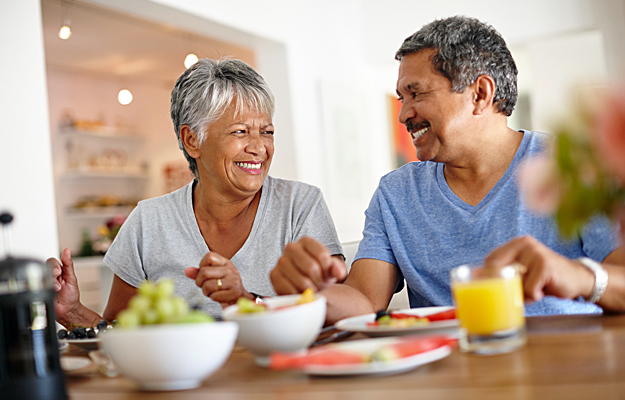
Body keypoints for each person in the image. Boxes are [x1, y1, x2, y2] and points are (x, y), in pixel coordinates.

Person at [270, 16, 623, 324]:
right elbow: (364, 300)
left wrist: (581, 276)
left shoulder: (574, 167)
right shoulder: (396, 194)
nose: (404, 114)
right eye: (401, 98)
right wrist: (314, 295)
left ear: (480, 94)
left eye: (416, 93)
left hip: (564, 370)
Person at [50, 58, 346, 328]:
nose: (259, 148)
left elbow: (338, 316)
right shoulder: (148, 221)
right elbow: (122, 335)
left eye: (266, 132)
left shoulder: (301, 206)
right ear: (192, 140)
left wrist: (246, 301)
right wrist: (71, 311)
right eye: (240, 131)